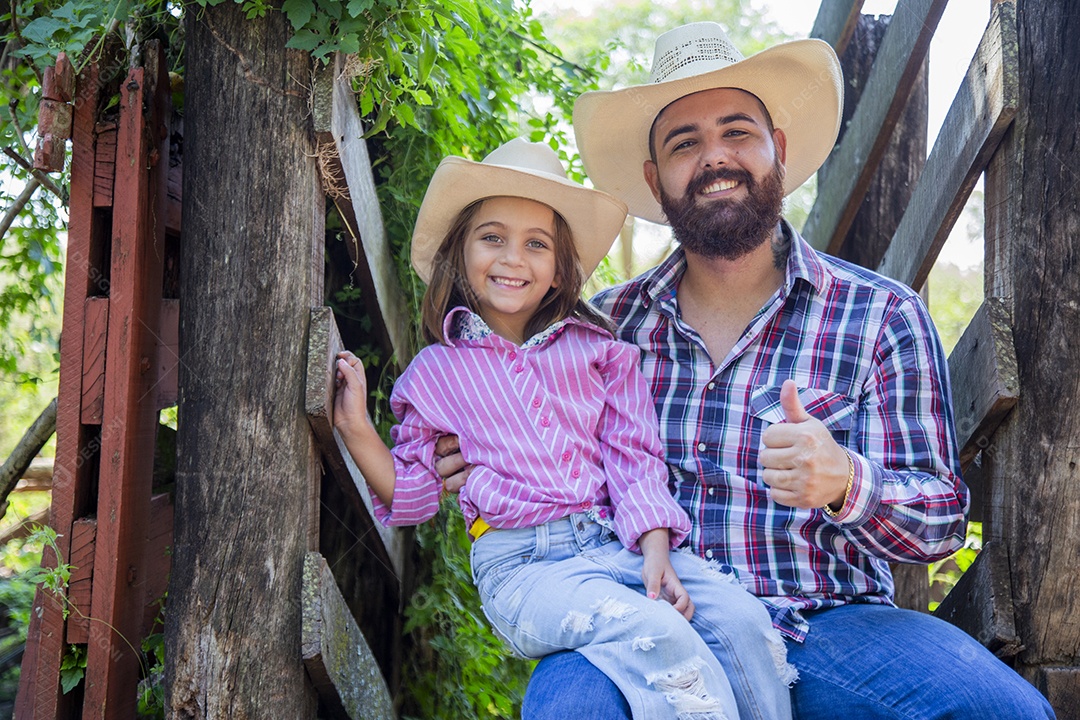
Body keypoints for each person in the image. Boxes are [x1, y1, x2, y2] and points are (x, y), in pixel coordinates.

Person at [436, 23, 1056, 720]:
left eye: (737, 132)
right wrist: (476, 454)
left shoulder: (881, 316)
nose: (715, 158)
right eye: (684, 144)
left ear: (777, 152)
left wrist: (845, 481)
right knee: (568, 710)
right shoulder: (598, 332)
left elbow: (941, 523)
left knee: (1004, 713)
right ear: (655, 180)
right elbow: (518, 434)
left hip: (831, 626)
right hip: (646, 618)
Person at [333, 137, 796, 719]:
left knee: (741, 622)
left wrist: (656, 550)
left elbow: (634, 457)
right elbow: (414, 492)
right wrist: (355, 428)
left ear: (557, 271)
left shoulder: (599, 352)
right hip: (524, 570)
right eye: (492, 237)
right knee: (660, 635)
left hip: (615, 546)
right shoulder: (435, 375)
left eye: (536, 244)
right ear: (461, 252)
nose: (512, 258)